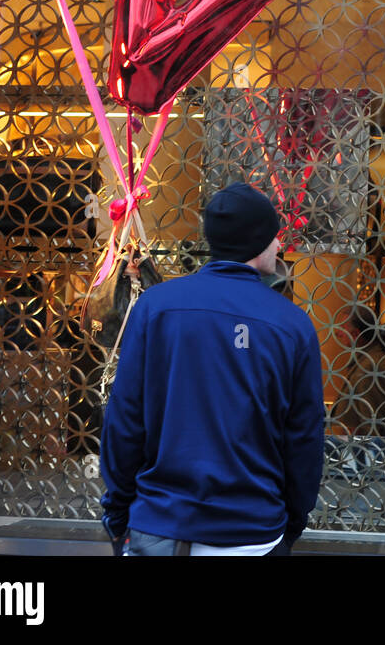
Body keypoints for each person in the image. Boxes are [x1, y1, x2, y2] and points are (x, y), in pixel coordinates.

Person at [99, 183, 324, 556]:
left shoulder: (156, 307)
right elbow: (304, 437)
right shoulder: (291, 324)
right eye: (274, 236)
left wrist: (119, 511)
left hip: (161, 523)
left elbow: (125, 419)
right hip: (252, 533)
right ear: (257, 242)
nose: (278, 245)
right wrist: (291, 524)